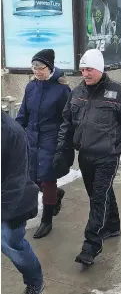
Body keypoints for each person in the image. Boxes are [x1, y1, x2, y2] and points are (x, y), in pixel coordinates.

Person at [55, 49, 121, 266]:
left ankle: (91, 245)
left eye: (90, 69)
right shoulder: (76, 93)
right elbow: (67, 124)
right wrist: (60, 151)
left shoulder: (118, 92)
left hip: (108, 155)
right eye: (83, 69)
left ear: (100, 69)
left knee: (97, 198)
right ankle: (113, 225)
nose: (85, 73)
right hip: (85, 155)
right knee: (100, 194)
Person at [15, 49, 70, 239]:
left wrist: (63, 145)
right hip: (31, 139)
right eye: (34, 67)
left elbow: (66, 120)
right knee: (33, 178)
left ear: (50, 67)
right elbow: (23, 114)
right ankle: (56, 195)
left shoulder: (62, 90)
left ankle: (47, 221)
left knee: (46, 179)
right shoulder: (31, 87)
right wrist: (14, 133)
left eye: (41, 67)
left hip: (51, 140)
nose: (37, 71)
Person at [2, 111, 44, 294]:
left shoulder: (11, 131)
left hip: (12, 203)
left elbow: (16, 180)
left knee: (11, 244)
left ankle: (35, 281)